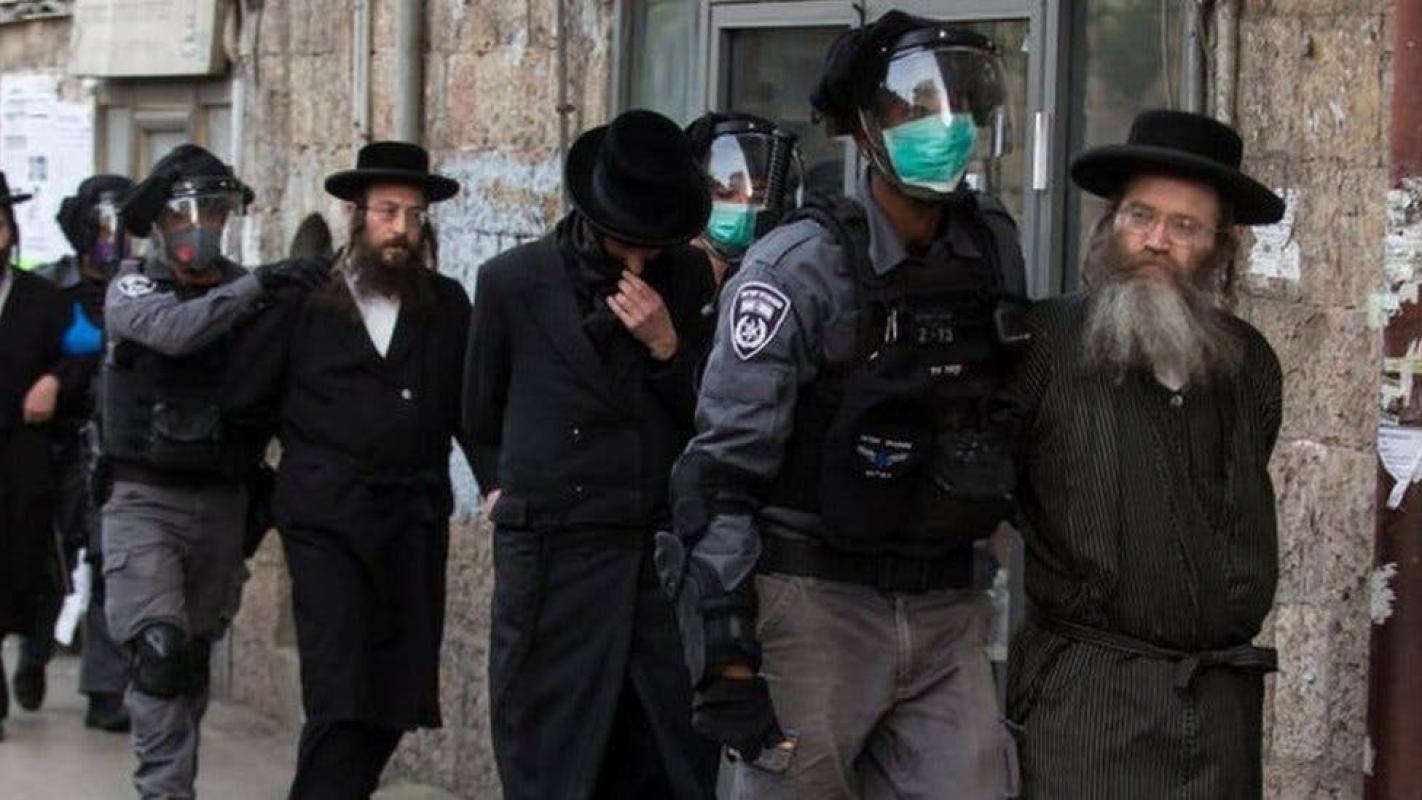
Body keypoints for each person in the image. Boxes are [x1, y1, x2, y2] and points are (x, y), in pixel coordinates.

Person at [657, 12, 1028, 798]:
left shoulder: (990, 247)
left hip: (946, 605)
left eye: (960, 105)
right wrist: (727, 651)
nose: (946, 125)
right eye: (916, 109)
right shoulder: (797, 268)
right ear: (863, 131)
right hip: (817, 605)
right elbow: (720, 474)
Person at [1003, 109, 1285, 799]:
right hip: (1086, 703)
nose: (1156, 241)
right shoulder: (1045, 344)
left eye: (1185, 226)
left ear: (1219, 248)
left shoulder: (1249, 364)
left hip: (1219, 713)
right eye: (1140, 216)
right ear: (1110, 223)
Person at [463, 109, 719, 800]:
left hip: (652, 566)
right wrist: (497, 490)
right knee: (552, 763)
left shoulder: (689, 278)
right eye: (624, 243)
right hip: (553, 564)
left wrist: (668, 347)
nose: (637, 264)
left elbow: (714, 417)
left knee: (664, 760)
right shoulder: (514, 282)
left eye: (651, 247)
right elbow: (478, 414)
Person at [229, 141, 474, 799]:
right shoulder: (304, 302)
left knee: (395, 698)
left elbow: (473, 411)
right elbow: (245, 403)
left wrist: (501, 479)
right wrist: (254, 497)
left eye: (414, 216)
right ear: (355, 215)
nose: (401, 229)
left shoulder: (446, 305)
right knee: (341, 691)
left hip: (413, 521)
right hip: (326, 522)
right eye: (388, 212)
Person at [101, 144, 329, 798]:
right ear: (161, 223)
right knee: (159, 652)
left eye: (217, 212)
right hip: (145, 501)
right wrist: (259, 286)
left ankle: (175, 775)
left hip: (224, 504)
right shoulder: (134, 286)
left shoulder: (249, 292)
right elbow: (174, 332)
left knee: (191, 658)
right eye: (189, 214)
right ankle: (164, 791)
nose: (204, 227)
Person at [34, 174, 136, 731]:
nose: (109, 240)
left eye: (118, 227)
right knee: (47, 561)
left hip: (117, 446)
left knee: (110, 566)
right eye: (100, 227)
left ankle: (105, 689)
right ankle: (35, 651)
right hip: (52, 444)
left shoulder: (141, 286)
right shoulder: (49, 288)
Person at [0, 172, 74, 741]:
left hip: (25, 458)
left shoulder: (44, 298)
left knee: (28, 570)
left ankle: (34, 651)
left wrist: (54, 378)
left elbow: (88, 352)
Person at [684, 112, 801, 287]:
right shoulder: (662, 282)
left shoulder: (787, 282)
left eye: (759, 196)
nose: (744, 205)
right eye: (725, 192)